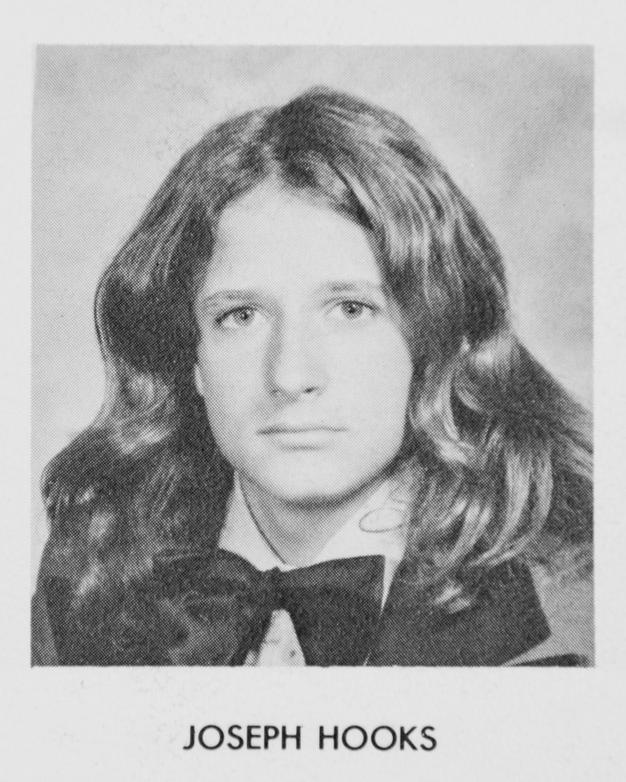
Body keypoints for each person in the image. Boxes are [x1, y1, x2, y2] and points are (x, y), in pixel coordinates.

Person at [31, 86, 592, 666]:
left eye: (351, 309)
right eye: (241, 316)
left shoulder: (580, 605)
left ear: (436, 340)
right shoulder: (86, 588)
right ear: (190, 357)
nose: (291, 375)